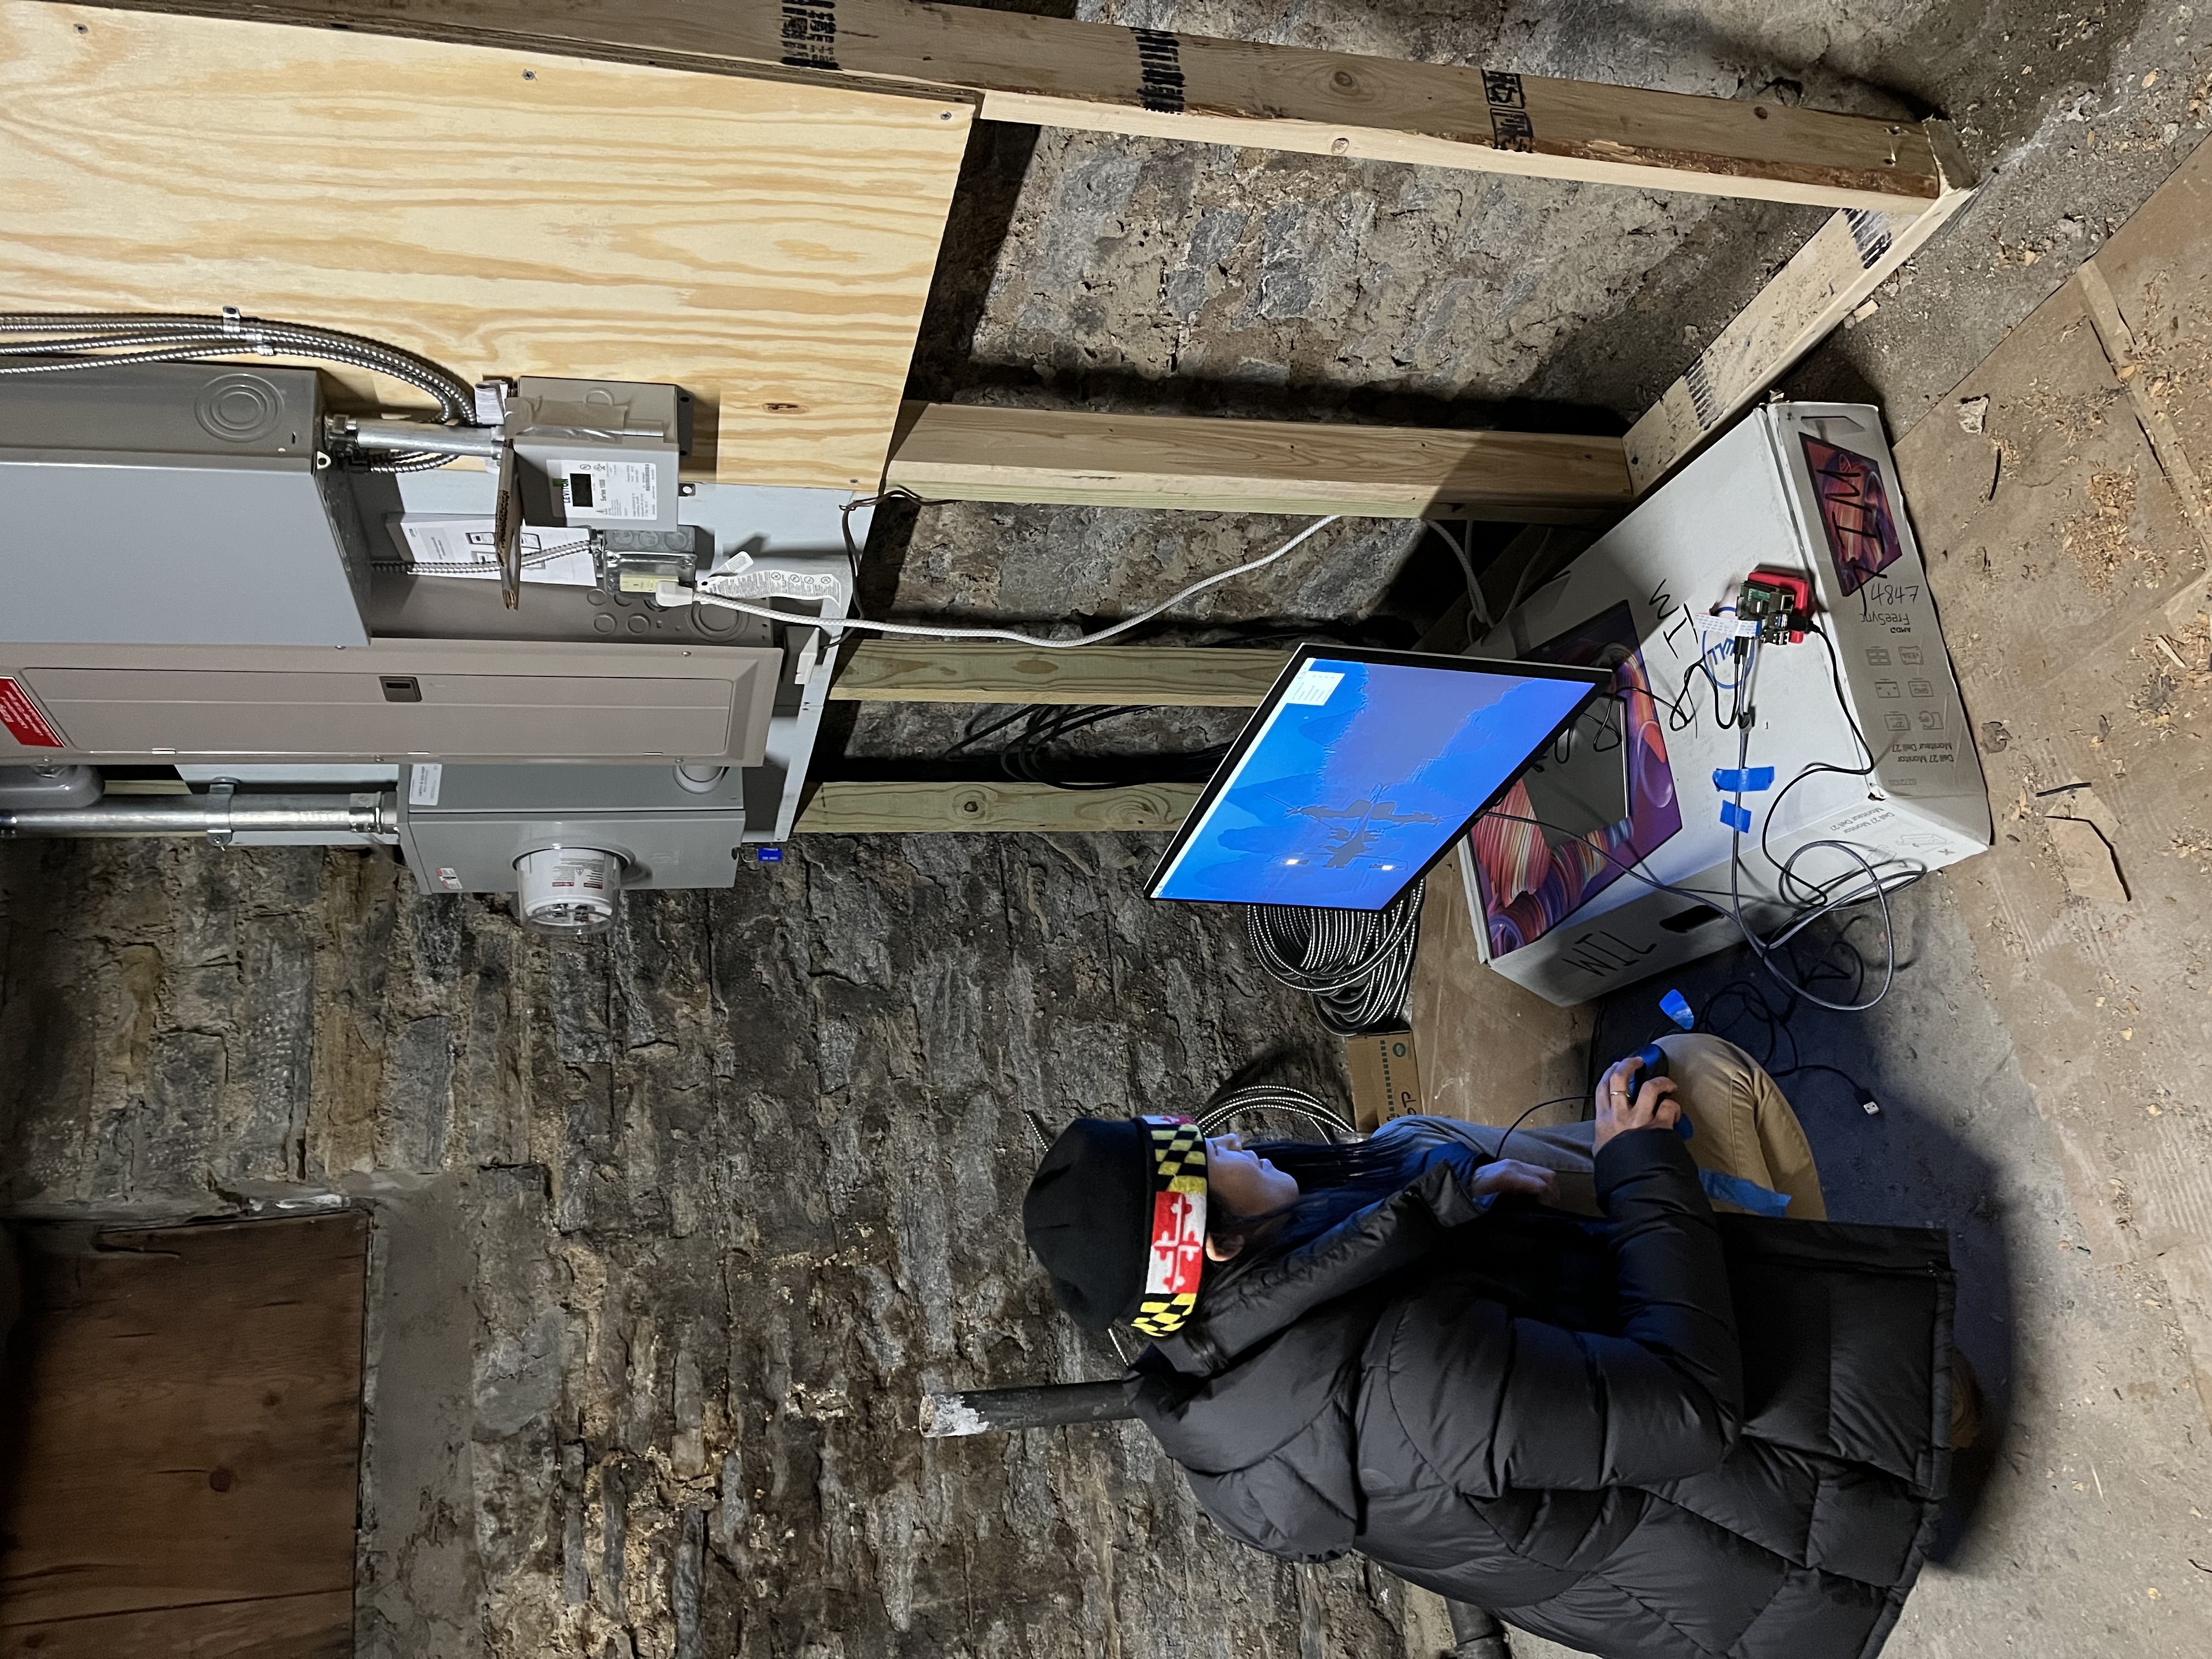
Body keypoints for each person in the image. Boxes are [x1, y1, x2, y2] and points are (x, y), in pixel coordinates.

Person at [1022, 1034, 1962, 1659]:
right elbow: (1693, 1407)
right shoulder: (1412, 1383)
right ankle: (1943, 1432)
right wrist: (1641, 1166)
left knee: (1424, 1135)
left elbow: (1379, 1217)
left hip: (1653, 1457)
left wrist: (1453, 1196)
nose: (1234, 1140)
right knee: (1711, 1076)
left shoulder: (1234, 1339)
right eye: (1208, 1156)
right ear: (1214, 1242)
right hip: (1809, 1509)